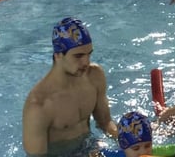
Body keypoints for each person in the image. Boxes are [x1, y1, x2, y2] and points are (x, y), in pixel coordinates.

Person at [22, 17, 117, 156]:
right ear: (58, 55)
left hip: (91, 148)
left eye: (89, 54)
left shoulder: (94, 76)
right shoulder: (39, 106)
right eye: (78, 56)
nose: (86, 62)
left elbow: (105, 122)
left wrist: (129, 144)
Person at [98, 111, 175, 157]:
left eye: (147, 146)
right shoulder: (118, 154)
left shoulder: (154, 151)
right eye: (136, 148)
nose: (143, 152)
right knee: (112, 133)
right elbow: (97, 153)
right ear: (124, 148)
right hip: (119, 138)